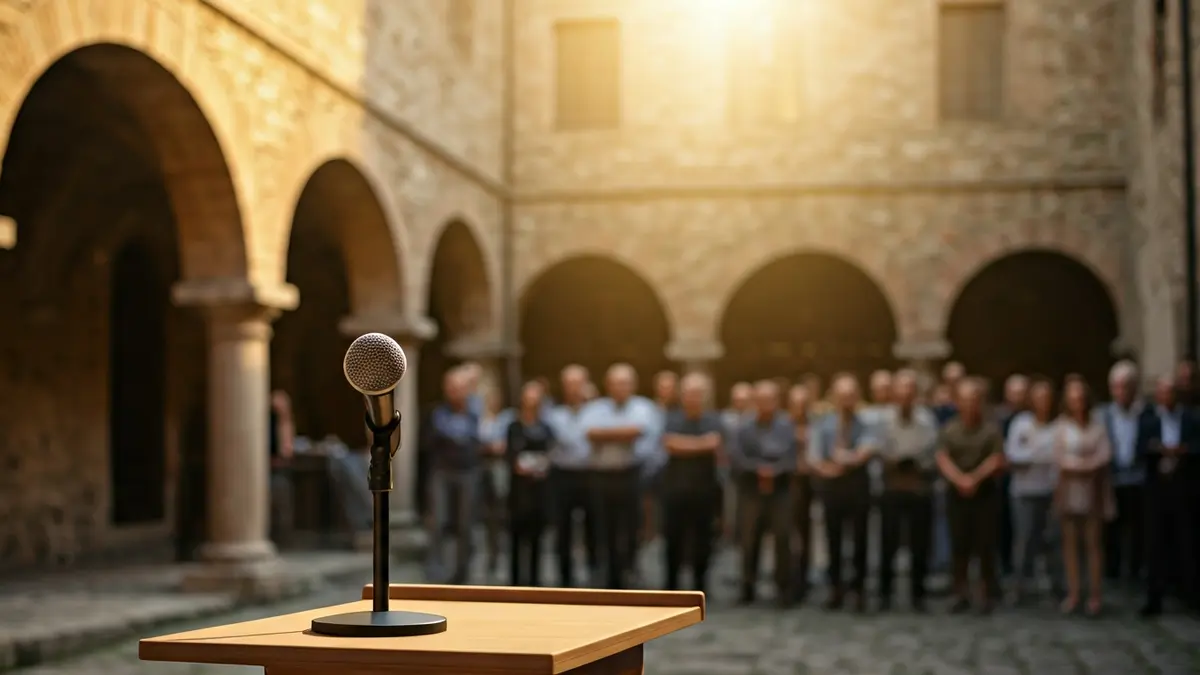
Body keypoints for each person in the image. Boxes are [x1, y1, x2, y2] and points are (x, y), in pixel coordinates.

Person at [579, 364, 660, 589]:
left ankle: (630, 570)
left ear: (633, 385)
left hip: (630, 475)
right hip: (601, 477)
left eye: (625, 383)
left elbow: (639, 431)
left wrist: (606, 434)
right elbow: (589, 433)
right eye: (616, 383)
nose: (620, 388)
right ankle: (605, 574)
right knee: (602, 526)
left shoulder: (644, 407)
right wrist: (624, 433)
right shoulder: (594, 409)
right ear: (608, 385)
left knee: (632, 526)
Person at [936, 378, 1005, 614]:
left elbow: (997, 459)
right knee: (959, 546)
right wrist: (960, 480)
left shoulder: (991, 429)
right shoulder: (950, 429)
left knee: (985, 546)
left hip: (984, 493)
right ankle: (959, 593)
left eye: (974, 400)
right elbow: (942, 458)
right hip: (957, 494)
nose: (970, 404)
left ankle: (985, 594)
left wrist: (974, 478)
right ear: (957, 402)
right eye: (965, 400)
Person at [809, 374, 875, 612]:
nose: (847, 400)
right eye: (842, 395)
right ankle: (835, 588)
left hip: (857, 487)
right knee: (833, 539)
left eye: (851, 395)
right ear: (834, 397)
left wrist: (844, 459)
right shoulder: (823, 424)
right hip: (832, 487)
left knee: (860, 540)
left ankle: (858, 590)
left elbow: (866, 451)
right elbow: (814, 457)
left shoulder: (867, 423)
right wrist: (831, 468)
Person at [876, 370, 939, 612]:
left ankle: (918, 594)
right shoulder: (884, 420)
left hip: (918, 487)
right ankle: (885, 593)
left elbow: (930, 452)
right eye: (901, 390)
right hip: (892, 487)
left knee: (919, 544)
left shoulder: (926, 419)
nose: (905, 394)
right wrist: (894, 463)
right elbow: (880, 449)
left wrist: (915, 466)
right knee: (888, 542)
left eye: (910, 390)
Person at [1137, 375, 1199, 617]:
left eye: (1171, 392)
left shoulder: (1191, 419)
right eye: (1163, 393)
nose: (1167, 397)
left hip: (1185, 490)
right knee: (1155, 544)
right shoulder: (1149, 420)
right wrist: (1159, 450)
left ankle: (1191, 595)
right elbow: (1140, 448)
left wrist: (1182, 451)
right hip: (1157, 491)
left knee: (1187, 543)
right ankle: (1154, 597)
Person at [730, 379, 795, 606]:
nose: (765, 403)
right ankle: (747, 587)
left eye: (770, 399)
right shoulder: (743, 427)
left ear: (777, 401)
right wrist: (759, 470)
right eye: (761, 399)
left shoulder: (787, 426)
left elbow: (791, 457)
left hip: (780, 491)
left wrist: (773, 471)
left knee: (783, 540)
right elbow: (737, 458)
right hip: (751, 491)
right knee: (749, 541)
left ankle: (784, 590)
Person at [1054, 377, 1114, 617]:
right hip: (1069, 492)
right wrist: (1084, 464)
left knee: (1093, 545)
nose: (1076, 402)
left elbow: (1104, 455)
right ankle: (1074, 592)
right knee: (1070, 545)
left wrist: (1083, 465)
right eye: (1072, 398)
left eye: (1080, 397)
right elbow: (1059, 459)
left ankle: (1095, 594)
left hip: (1093, 492)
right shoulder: (1062, 427)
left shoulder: (1097, 426)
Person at [660, 373, 723, 592]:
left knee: (703, 541)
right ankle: (671, 585)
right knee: (672, 539)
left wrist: (684, 445)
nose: (693, 397)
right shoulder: (672, 417)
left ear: (705, 396)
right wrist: (701, 444)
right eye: (689, 393)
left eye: (698, 393)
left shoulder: (714, 418)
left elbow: (715, 443)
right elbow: (669, 444)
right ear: (682, 395)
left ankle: (700, 585)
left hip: (704, 490)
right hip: (674, 490)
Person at [1005, 378, 1063, 604]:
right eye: (1038, 398)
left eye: (1046, 398)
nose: (1043, 402)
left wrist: (1034, 454)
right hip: (1024, 492)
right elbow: (1013, 455)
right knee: (1024, 540)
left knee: (1053, 540)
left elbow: (1060, 457)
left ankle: (1056, 585)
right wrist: (1041, 456)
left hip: (1052, 491)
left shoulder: (1059, 425)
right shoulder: (1021, 423)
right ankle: (1019, 587)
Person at [425, 368, 482, 584]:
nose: (454, 392)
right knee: (438, 523)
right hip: (443, 472)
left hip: (468, 472)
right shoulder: (438, 413)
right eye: (451, 387)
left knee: (466, 525)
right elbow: (447, 436)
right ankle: (435, 574)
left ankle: (462, 575)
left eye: (459, 388)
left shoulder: (476, 412)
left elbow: (478, 436)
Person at [546, 365, 598, 587]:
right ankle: (565, 579)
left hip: (590, 474)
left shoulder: (598, 412)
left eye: (578, 383)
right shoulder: (553, 414)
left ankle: (595, 577)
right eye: (570, 383)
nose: (574, 388)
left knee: (594, 528)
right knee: (563, 530)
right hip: (562, 476)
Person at [506, 381, 555, 587]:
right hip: (518, 489)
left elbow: (550, 452)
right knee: (517, 537)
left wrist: (543, 465)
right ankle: (516, 581)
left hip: (539, 489)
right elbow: (510, 455)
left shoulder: (545, 427)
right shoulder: (513, 426)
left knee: (537, 537)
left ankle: (535, 581)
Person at [1101, 360, 1145, 584]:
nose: (1122, 391)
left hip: (1138, 480)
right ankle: (1113, 570)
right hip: (1113, 479)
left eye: (1126, 386)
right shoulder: (1104, 415)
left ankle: (1136, 570)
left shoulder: (1144, 413)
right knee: (1112, 529)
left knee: (1138, 529)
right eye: (1117, 386)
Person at [995, 374, 1030, 578]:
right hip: (1002, 477)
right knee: (1004, 525)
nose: (1017, 397)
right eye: (1014, 393)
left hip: (1027, 479)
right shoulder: (999, 417)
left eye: (1021, 393)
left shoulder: (1033, 418)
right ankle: (1005, 565)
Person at [479, 388, 512, 579]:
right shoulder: (481, 419)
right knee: (486, 512)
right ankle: (488, 555)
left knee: (500, 511)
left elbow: (506, 445)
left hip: (500, 467)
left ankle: (500, 553)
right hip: (482, 466)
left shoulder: (507, 418)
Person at [786, 384, 816, 603]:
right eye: (796, 404)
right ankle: (788, 579)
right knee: (787, 536)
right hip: (787, 484)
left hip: (812, 483)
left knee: (807, 535)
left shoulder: (818, 424)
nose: (800, 408)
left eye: (804, 404)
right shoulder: (782, 425)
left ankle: (804, 579)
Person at [268, 390, 296, 548]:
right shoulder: (267, 424)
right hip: (267, 471)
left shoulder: (284, 423)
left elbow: (286, 451)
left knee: (282, 492)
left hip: (280, 470)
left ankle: (284, 536)